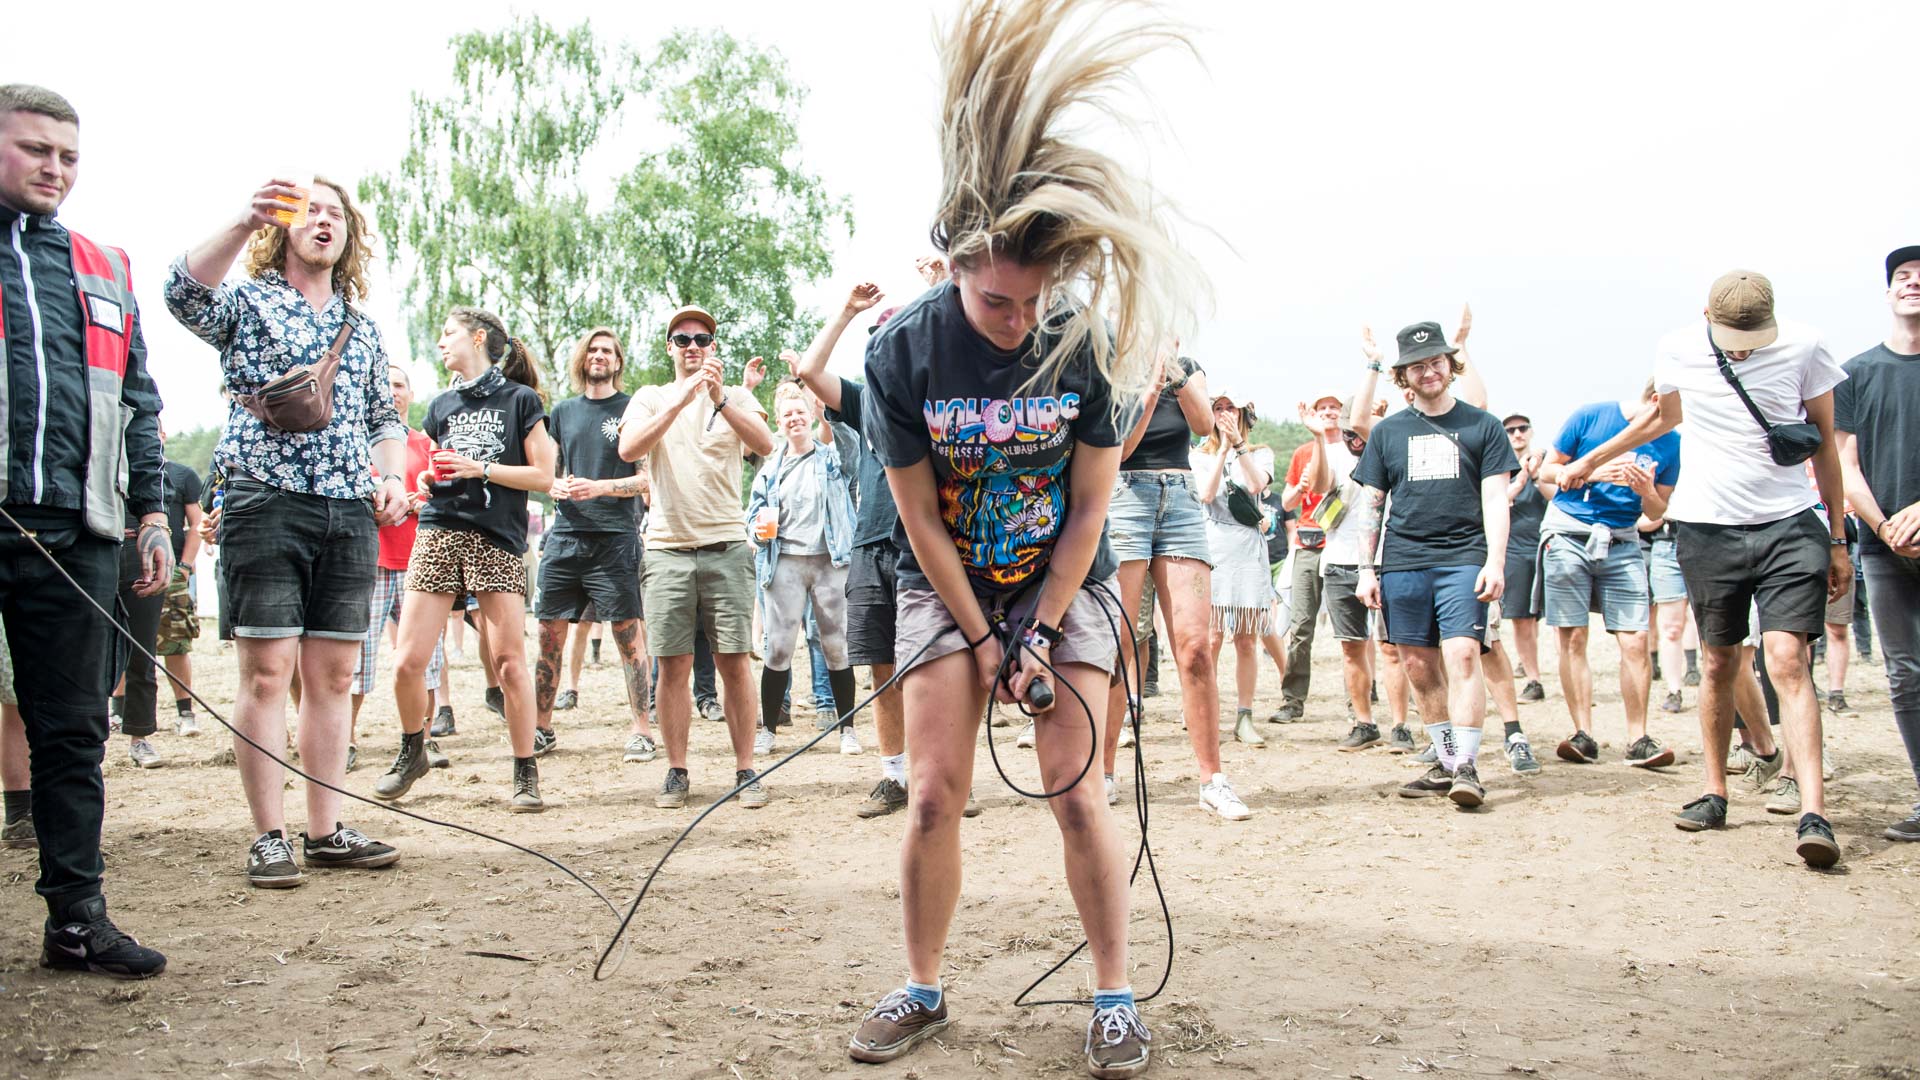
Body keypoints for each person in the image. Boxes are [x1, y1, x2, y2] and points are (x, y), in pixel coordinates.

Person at [846, 2, 1203, 1073]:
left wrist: (1038, 631)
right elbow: (917, 516)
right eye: (999, 303)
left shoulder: (1078, 341)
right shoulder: (901, 354)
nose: (1018, 322)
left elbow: (1092, 505)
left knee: (1076, 789)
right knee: (932, 793)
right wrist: (983, 637)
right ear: (955, 264)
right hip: (945, 579)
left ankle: (1114, 997)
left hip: (1063, 577)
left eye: (1034, 302)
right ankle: (921, 988)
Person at [167, 173, 412, 889]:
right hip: (264, 499)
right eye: (309, 212)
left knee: (333, 677)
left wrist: (391, 478)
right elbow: (182, 293)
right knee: (268, 673)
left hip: (348, 510)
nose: (323, 221)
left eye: (336, 213)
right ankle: (268, 837)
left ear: (349, 234)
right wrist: (244, 220)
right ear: (284, 228)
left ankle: (325, 831)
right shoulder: (249, 301)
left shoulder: (362, 327)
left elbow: (383, 418)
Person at [1561, 269, 1849, 869]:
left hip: (1789, 523)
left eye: (1753, 340)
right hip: (1705, 526)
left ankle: (1813, 811)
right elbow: (1660, 419)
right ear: (1707, 316)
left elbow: (1824, 442)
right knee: (1718, 660)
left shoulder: (1805, 345)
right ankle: (1715, 792)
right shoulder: (1678, 348)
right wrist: (1590, 460)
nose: (1742, 351)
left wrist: (1839, 539)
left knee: (1787, 659)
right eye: (1733, 340)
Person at [0, 84, 169, 977]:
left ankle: (76, 919)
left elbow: (139, 399)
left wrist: (152, 512)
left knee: (73, 731)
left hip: (77, 533)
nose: (55, 169)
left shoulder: (103, 264)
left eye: (68, 156)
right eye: (35, 149)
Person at [376, 308, 554, 812]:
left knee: (508, 664)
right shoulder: (441, 404)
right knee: (407, 662)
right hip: (438, 532)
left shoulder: (520, 400)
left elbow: (544, 476)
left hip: (496, 537)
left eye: (448, 333)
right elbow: (433, 468)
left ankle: (525, 769)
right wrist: (425, 480)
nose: (440, 342)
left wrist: (481, 468)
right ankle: (414, 749)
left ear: (478, 338)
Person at [1352, 321, 1518, 809]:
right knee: (1418, 666)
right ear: (1403, 375)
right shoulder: (1387, 433)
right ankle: (1444, 761)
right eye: (1418, 366)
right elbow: (1371, 505)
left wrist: (1496, 562)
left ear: (1450, 365)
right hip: (1403, 562)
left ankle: (1467, 765)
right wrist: (1366, 569)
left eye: (1436, 362)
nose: (1429, 372)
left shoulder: (1483, 426)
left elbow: (1496, 499)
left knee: (1463, 654)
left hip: (1463, 558)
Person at [618, 305, 775, 809]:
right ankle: (677, 770)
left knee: (734, 663)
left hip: (727, 545)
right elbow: (628, 449)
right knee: (673, 666)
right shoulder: (651, 396)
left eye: (702, 339)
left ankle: (746, 769)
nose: (692, 346)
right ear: (670, 348)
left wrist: (719, 398)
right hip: (667, 549)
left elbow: (766, 444)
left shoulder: (737, 396)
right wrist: (682, 398)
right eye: (682, 339)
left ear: (713, 347)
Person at [1102, 352, 1253, 818]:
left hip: (1182, 500)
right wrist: (1151, 384)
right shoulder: (1107, 360)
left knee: (1196, 648)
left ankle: (1213, 780)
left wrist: (1175, 372)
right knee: (1118, 644)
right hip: (1125, 495)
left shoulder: (1185, 366)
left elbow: (1204, 426)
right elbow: (1121, 445)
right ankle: (1102, 774)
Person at [1533, 380, 1680, 770]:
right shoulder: (1591, 416)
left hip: (1623, 540)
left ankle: (1638, 739)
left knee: (1636, 640)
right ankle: (1582, 734)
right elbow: (1547, 472)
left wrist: (1646, 491)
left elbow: (1657, 511)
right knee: (1573, 636)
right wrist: (1594, 472)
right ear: (1656, 400)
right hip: (1568, 533)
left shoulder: (1672, 443)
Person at [534, 327, 657, 765]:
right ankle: (542, 728)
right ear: (582, 359)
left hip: (615, 540)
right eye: (592, 350)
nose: (599, 356)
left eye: (607, 350)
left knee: (629, 638)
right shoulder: (563, 412)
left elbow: (647, 479)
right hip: (565, 537)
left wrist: (601, 486)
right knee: (548, 636)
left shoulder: (632, 409)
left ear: (618, 361)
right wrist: (552, 485)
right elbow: (547, 470)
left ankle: (642, 731)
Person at [1836, 244, 1920, 842]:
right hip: (1882, 547)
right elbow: (1844, 463)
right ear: (1889, 291)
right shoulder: (1856, 372)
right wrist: (1886, 525)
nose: (1913, 283)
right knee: (1905, 674)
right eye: (1903, 276)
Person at [747, 379, 860, 756]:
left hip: (830, 561)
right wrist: (757, 531)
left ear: (810, 416)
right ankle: (768, 731)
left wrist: (828, 413)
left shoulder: (832, 459)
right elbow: (752, 518)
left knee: (836, 647)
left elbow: (852, 448)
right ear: (779, 423)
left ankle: (847, 731)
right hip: (785, 564)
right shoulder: (770, 470)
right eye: (787, 415)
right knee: (777, 649)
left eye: (800, 412)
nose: (794, 418)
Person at [349, 365, 452, 772]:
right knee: (356, 659)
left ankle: (422, 741)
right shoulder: (356, 443)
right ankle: (346, 740)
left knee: (425, 658)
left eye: (398, 385)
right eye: (384, 385)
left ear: (410, 393)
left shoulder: (427, 444)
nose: (392, 392)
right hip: (369, 564)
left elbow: (445, 498)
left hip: (419, 564)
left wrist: (419, 503)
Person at [1193, 392, 1274, 749]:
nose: (1225, 414)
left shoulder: (1261, 453)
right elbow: (1206, 495)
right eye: (1219, 408)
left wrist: (1239, 447)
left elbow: (1256, 486)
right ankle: (1202, 709)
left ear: (1243, 413)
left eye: (1231, 408)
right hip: (1214, 548)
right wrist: (1222, 450)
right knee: (1211, 638)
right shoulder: (1197, 455)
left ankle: (1245, 715)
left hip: (1248, 551)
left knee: (1246, 639)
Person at [156, 431, 207, 737]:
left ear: (162, 434)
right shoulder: (116, 470)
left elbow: (197, 523)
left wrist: (185, 567)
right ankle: (119, 712)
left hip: (172, 572)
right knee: (121, 643)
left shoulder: (181, 475)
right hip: (123, 567)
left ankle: (185, 713)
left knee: (176, 643)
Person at [1499, 413, 1549, 703]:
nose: (1517, 434)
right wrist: (1519, 479)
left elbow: (1557, 496)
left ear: (1530, 431)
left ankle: (1543, 669)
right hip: (1514, 550)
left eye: (1522, 428)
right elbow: (1495, 502)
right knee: (1521, 618)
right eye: (1510, 430)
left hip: (1546, 547)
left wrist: (1537, 474)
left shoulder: (1546, 462)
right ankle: (1534, 679)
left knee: (1552, 619)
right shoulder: (1499, 466)